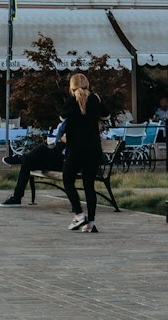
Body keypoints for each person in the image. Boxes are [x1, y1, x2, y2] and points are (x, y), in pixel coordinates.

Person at [62, 72, 104, 234]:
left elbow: (61, 119)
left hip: (75, 149)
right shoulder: (95, 99)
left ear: (71, 87)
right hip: (93, 148)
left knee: (67, 179)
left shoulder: (70, 101)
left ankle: (79, 214)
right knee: (89, 185)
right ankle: (91, 223)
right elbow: (106, 115)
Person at [0, 131, 65, 206]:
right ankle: (17, 198)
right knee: (27, 163)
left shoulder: (77, 127)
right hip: (54, 159)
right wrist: (60, 139)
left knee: (41, 148)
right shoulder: (66, 125)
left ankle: (19, 159)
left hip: (65, 163)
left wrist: (62, 139)